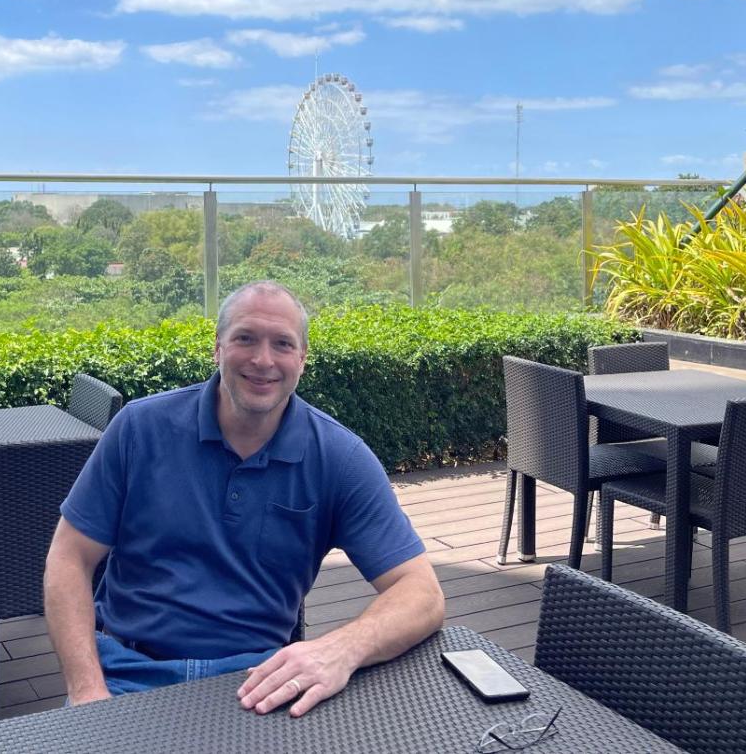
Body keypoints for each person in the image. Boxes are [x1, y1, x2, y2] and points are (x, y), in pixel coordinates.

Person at [44, 280, 445, 718]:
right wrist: (87, 690)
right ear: (217, 348)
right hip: (126, 672)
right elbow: (69, 557)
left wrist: (340, 649)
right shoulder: (140, 428)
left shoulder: (339, 457)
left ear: (302, 359)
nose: (263, 360)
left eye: (282, 344)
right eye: (245, 338)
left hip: (258, 683)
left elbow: (421, 592)